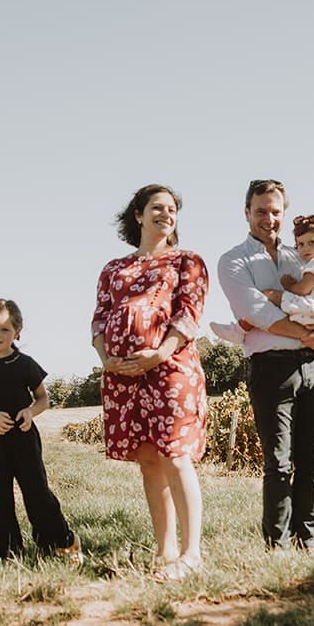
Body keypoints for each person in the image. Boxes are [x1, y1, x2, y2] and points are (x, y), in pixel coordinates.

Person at [217, 180, 314, 552]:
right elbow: (257, 313)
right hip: (272, 368)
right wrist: (310, 333)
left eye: (275, 212)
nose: (268, 219)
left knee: (313, 460)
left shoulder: (305, 254)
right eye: (261, 211)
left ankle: (307, 538)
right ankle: (278, 542)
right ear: (246, 212)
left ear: (283, 214)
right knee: (278, 462)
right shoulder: (234, 261)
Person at [92, 184, 209, 581]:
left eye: (172, 208)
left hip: (170, 370)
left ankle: (192, 554)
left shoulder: (187, 262)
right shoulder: (113, 269)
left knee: (176, 456)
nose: (166, 213)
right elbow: (99, 319)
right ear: (138, 215)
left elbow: (189, 315)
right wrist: (107, 359)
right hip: (123, 377)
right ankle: (166, 551)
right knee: (148, 462)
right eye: (157, 207)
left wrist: (159, 354)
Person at [0, 298, 80, 564]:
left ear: (17, 331)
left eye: (4, 330)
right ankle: (6, 553)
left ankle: (60, 543)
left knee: (37, 492)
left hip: (23, 437)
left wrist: (30, 412)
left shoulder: (24, 363)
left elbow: (43, 398)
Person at [210, 213, 314, 342]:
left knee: (268, 296)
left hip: (313, 309)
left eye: (311, 242)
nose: (305, 249)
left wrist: (289, 286)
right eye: (301, 244)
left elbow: (302, 289)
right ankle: (240, 329)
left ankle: (239, 330)